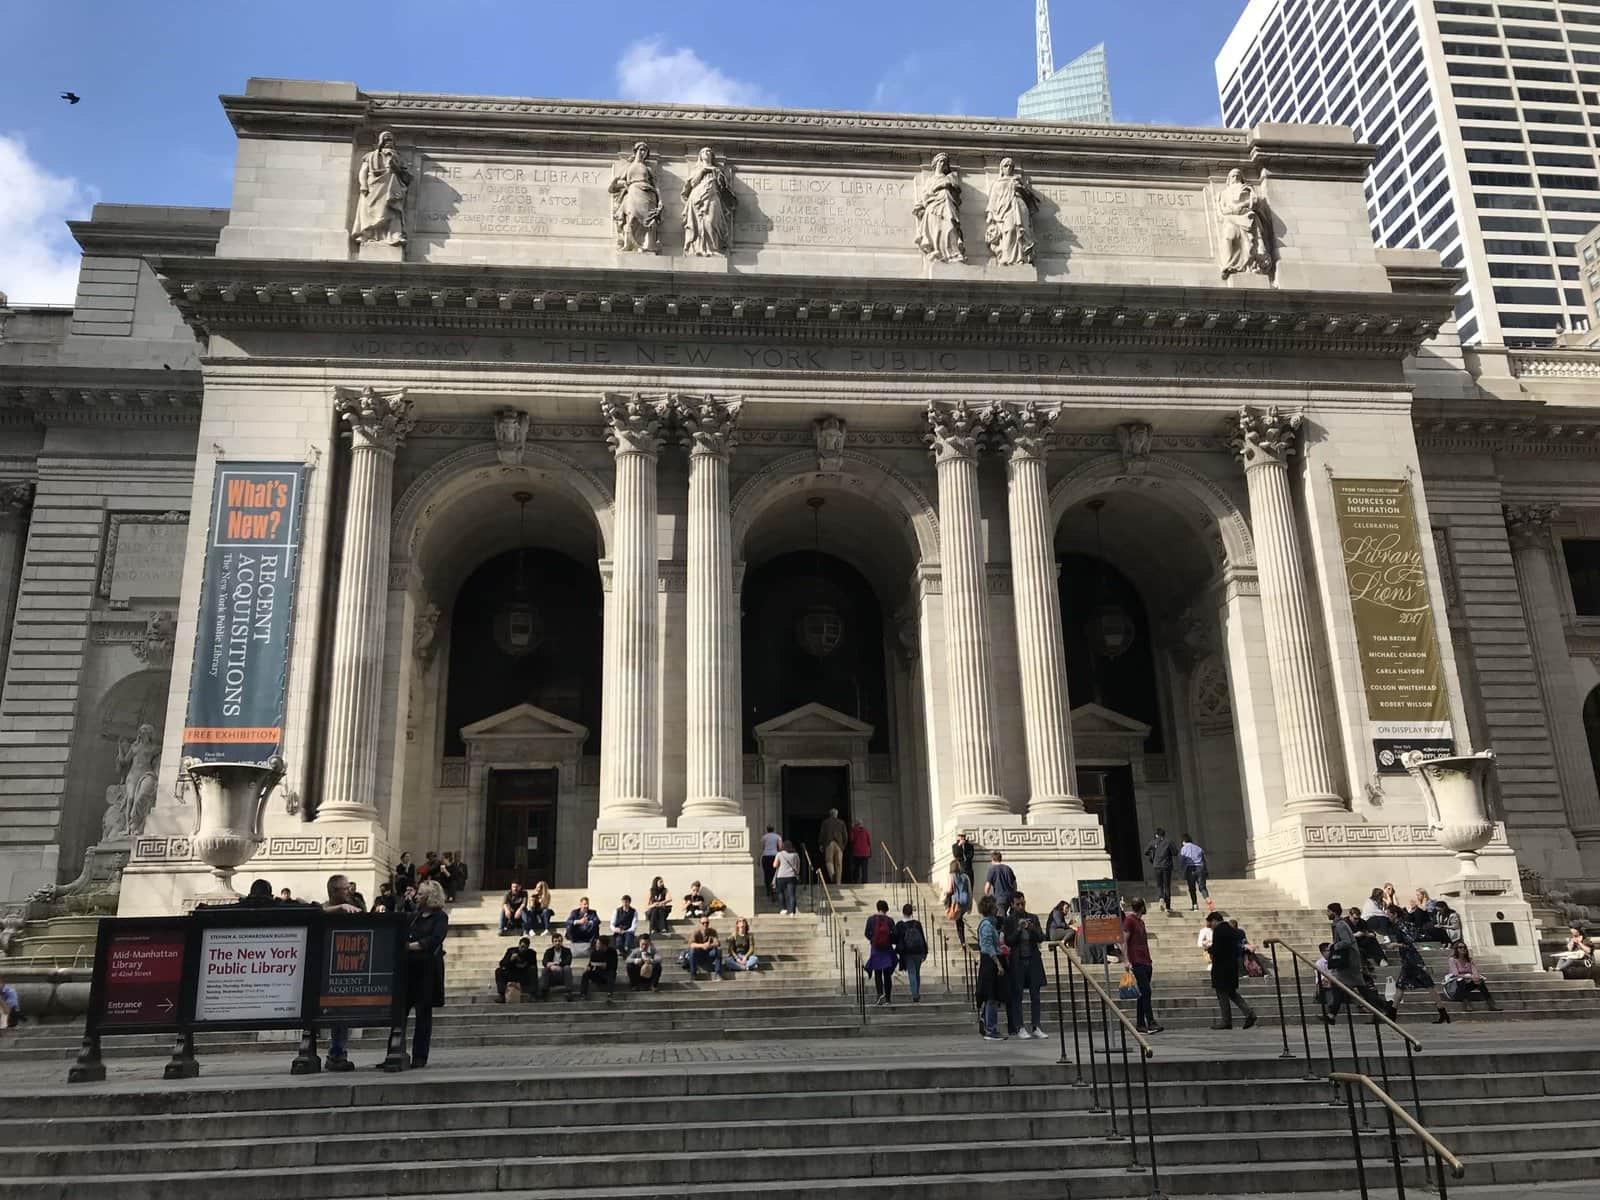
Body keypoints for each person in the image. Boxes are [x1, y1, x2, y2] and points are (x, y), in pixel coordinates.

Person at [402, 879, 449, 1067]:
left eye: (420, 893)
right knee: (400, 1014)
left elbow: (436, 938)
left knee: (423, 1015)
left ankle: (420, 1057)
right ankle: (395, 1051)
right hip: (408, 969)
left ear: (430, 897)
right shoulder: (413, 916)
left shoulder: (440, 917)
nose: (416, 896)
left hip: (427, 971)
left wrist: (412, 946)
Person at [322, 873, 363, 1071]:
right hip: (323, 971)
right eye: (345, 888)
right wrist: (339, 908)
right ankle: (334, 1053)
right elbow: (315, 913)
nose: (349, 891)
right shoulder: (327, 908)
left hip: (345, 970)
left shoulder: (354, 909)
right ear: (334, 891)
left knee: (342, 1015)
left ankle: (338, 1053)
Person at [1387, 906, 1450, 1024]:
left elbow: (1410, 940)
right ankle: (1392, 1014)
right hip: (1408, 959)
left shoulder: (1402, 925)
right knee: (1403, 985)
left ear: (1395, 914)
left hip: (1411, 960)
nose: (1388, 916)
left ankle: (1392, 1014)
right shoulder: (1400, 924)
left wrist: (1395, 944)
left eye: (1389, 914)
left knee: (1423, 984)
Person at [1004, 891, 1047, 1038]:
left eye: (1023, 903)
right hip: (1018, 962)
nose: (1021, 907)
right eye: (1018, 904)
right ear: (1012, 905)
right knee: (1018, 996)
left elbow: (1041, 937)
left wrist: (1031, 928)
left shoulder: (1033, 918)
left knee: (1036, 995)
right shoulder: (1009, 920)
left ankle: (1036, 1026)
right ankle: (1020, 1026)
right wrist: (1018, 929)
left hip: (1033, 960)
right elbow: (1008, 941)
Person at [1205, 912, 1256, 1030]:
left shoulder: (1219, 930)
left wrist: (1210, 949)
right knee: (1232, 993)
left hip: (1221, 968)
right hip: (1232, 967)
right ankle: (1249, 1013)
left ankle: (1226, 1020)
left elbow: (1218, 949)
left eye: (1210, 923)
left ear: (1215, 921)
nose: (1210, 926)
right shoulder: (1231, 930)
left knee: (1222, 994)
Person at [1122, 897, 1161, 1034]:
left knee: (1142, 994)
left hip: (1146, 960)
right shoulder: (1129, 921)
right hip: (1137, 960)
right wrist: (1126, 960)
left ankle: (1140, 1023)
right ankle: (1150, 1021)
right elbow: (1125, 941)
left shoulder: (1141, 922)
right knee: (1146, 991)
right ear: (1142, 907)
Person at [975, 895, 1007, 1041]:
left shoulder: (991, 924)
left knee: (993, 996)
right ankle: (990, 1029)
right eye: (994, 906)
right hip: (990, 962)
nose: (996, 909)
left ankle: (987, 1023)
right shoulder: (987, 925)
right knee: (991, 996)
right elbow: (988, 946)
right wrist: (998, 964)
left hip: (991, 961)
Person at [1444, 942, 1498, 1009]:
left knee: (1480, 981)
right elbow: (1455, 974)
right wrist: (1469, 976)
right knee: (1461, 980)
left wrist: (1476, 977)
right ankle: (1466, 1004)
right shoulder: (1452, 960)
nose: (1463, 949)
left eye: (1465, 947)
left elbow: (1475, 972)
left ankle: (1491, 1004)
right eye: (1460, 947)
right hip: (1454, 986)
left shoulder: (1469, 960)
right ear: (1456, 949)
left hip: (1467, 984)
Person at [865, 900, 898, 1006]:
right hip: (887, 949)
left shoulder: (871, 920)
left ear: (877, 908)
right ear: (886, 909)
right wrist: (888, 941)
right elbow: (895, 935)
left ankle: (879, 995)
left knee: (878, 973)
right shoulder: (890, 920)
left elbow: (866, 933)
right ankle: (888, 998)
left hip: (875, 949)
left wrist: (873, 940)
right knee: (887, 974)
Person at [895, 903, 928, 1002]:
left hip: (907, 952)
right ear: (911, 912)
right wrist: (925, 951)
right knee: (917, 972)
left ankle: (915, 994)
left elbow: (896, 939)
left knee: (912, 972)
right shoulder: (917, 924)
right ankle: (916, 992)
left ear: (903, 912)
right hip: (918, 951)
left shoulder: (900, 925)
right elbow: (922, 937)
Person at [1145, 828, 1177, 914]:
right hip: (1166, 866)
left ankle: (1161, 898)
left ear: (1156, 835)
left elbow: (1146, 851)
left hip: (1157, 866)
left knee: (1159, 885)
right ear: (1164, 834)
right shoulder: (1169, 842)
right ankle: (1168, 906)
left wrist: (1153, 853)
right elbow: (1175, 852)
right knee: (1167, 886)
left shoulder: (1153, 842)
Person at [943, 857, 974, 945]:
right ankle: (962, 940)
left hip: (957, 901)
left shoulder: (951, 875)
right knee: (959, 918)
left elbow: (949, 889)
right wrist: (970, 905)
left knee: (958, 920)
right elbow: (970, 890)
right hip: (965, 900)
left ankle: (962, 941)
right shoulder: (965, 876)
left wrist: (944, 892)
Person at [495, 937, 536, 1002]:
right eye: (522, 946)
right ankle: (501, 995)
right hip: (512, 973)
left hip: (523, 975)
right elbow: (502, 964)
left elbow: (533, 966)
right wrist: (510, 959)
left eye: (525, 947)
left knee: (533, 970)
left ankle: (532, 995)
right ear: (519, 945)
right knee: (499, 971)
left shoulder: (531, 953)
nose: (523, 949)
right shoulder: (511, 951)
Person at [538, 933, 576, 1001]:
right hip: (552, 976)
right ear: (552, 942)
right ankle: (544, 992)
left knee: (567, 968)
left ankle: (569, 992)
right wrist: (551, 966)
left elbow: (568, 962)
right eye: (555, 941)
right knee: (544, 970)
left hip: (562, 975)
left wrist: (556, 964)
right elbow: (544, 962)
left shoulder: (567, 951)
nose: (557, 943)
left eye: (559, 941)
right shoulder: (549, 951)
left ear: (562, 942)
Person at [1179, 835, 1211, 912]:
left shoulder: (1184, 848)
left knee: (1192, 888)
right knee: (1202, 887)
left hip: (1190, 869)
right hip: (1200, 868)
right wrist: (1206, 871)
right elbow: (1204, 860)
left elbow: (1182, 861)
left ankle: (1195, 905)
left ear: (1183, 841)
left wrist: (1181, 871)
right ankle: (1208, 899)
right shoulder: (1198, 848)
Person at [581, 935, 619, 1000]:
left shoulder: (612, 952)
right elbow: (591, 964)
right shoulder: (594, 952)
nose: (596, 945)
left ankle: (609, 994)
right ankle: (583, 994)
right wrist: (588, 967)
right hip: (597, 973)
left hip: (607, 974)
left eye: (598, 944)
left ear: (604, 945)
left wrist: (606, 966)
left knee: (611, 973)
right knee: (586, 974)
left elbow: (614, 966)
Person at [820, 809, 848, 885]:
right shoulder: (841, 822)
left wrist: (821, 844)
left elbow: (822, 834)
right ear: (836, 814)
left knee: (829, 861)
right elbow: (845, 835)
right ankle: (838, 882)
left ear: (830, 814)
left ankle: (832, 875)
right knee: (839, 864)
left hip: (829, 844)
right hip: (839, 844)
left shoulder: (825, 822)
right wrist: (843, 845)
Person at [773, 841, 801, 916]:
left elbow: (775, 865)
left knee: (780, 893)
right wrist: (797, 873)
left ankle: (783, 909)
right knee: (792, 894)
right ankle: (792, 911)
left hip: (781, 876)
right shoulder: (795, 855)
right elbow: (798, 866)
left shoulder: (780, 854)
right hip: (791, 876)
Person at [849, 819, 872, 885]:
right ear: (862, 824)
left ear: (856, 824)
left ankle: (856, 880)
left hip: (856, 852)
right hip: (865, 852)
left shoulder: (854, 829)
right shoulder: (865, 830)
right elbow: (868, 841)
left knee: (856, 868)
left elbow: (851, 839)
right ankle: (864, 881)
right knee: (864, 868)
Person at [760, 826, 782, 898]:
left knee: (767, 874)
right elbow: (780, 847)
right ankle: (774, 889)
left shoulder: (764, 837)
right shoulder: (778, 837)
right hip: (774, 856)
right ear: (773, 829)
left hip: (766, 856)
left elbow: (762, 848)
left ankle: (768, 889)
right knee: (775, 873)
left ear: (767, 830)